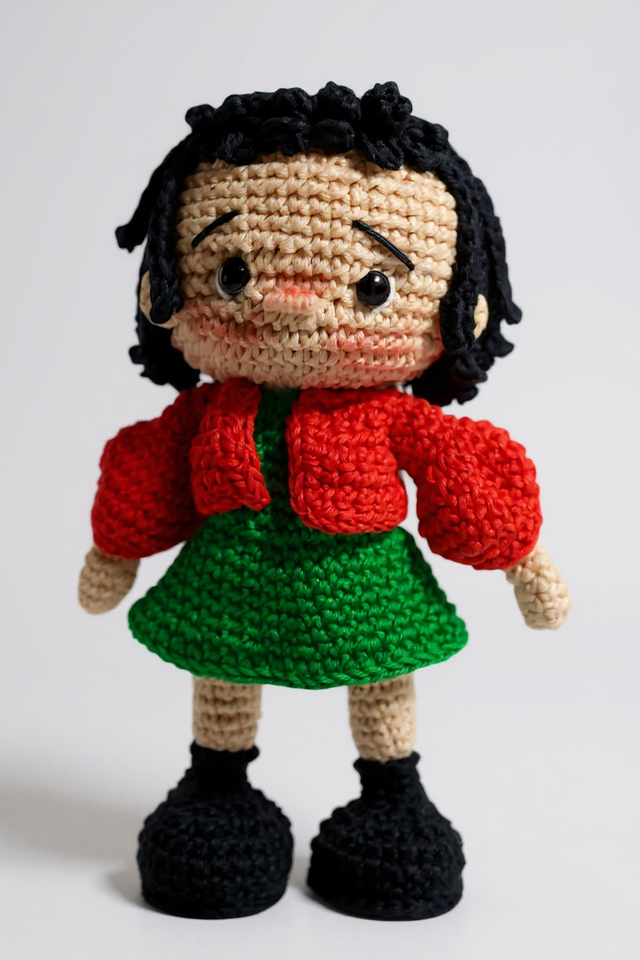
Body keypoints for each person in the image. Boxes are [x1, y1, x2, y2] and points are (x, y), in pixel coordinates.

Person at [79, 82, 570, 921]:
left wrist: (522, 558)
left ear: (462, 305)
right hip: (233, 577)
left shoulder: (391, 418)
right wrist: (116, 548)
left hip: (364, 583)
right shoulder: (207, 412)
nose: (288, 302)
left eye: (375, 286)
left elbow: (465, 481)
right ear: (166, 283)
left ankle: (392, 794)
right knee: (223, 678)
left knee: (381, 682)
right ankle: (217, 785)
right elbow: (150, 471)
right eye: (233, 272)